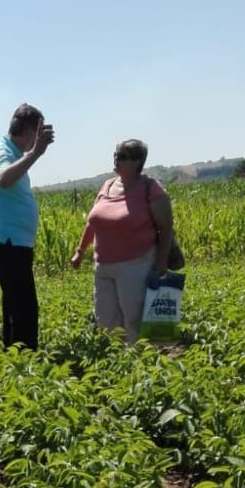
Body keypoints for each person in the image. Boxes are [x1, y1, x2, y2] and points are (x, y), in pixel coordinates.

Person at [70, 138, 173, 343]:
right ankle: (119, 365)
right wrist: (80, 251)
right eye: (116, 155)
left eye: (123, 156)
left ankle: (139, 365)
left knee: (134, 318)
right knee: (105, 320)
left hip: (136, 264)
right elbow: (93, 223)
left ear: (137, 161)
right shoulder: (107, 186)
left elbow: (166, 228)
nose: (117, 159)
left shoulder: (150, 188)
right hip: (103, 266)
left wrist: (161, 261)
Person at [0, 104, 55, 350]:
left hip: (14, 243)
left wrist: (32, 154)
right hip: (9, 243)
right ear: (27, 132)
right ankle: (24, 364)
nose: (38, 140)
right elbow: (3, 179)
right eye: (37, 134)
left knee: (16, 304)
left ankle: (13, 356)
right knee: (24, 308)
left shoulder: (14, 152)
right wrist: (36, 153)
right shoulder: (4, 151)